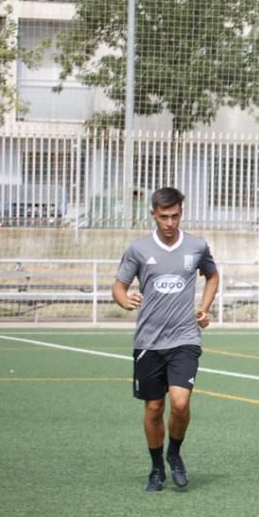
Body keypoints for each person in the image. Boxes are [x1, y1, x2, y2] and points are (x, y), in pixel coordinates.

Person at [112, 187, 220, 492]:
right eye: (163, 217)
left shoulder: (197, 246)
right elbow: (119, 286)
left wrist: (204, 308)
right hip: (148, 341)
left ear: (181, 213)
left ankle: (175, 452)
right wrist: (125, 300)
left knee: (181, 402)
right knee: (154, 408)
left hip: (185, 337)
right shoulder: (139, 249)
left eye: (174, 216)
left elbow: (212, 276)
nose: (169, 223)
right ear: (153, 215)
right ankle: (157, 467)